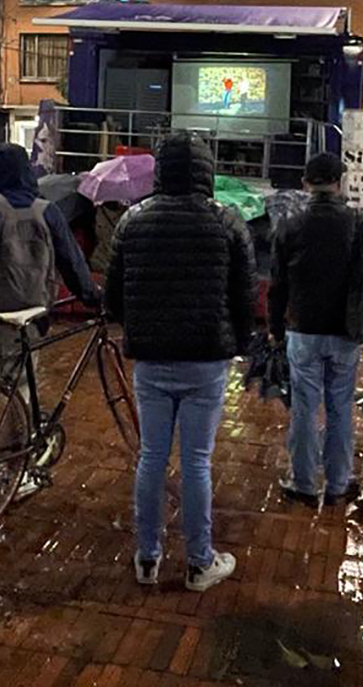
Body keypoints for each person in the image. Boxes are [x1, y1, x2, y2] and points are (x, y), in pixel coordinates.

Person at [105, 133, 256, 592]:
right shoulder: (226, 221)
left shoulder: (133, 220)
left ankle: (147, 558)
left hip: (151, 358)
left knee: (151, 456)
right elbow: (244, 296)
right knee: (196, 461)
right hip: (206, 359)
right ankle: (198, 562)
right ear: (206, 170)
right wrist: (241, 343)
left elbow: (114, 298)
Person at [269, 153, 363, 507]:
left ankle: (303, 482)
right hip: (345, 330)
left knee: (304, 407)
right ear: (339, 182)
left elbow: (277, 285)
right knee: (340, 406)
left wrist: (275, 328)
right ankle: (337, 482)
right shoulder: (359, 221)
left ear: (306, 183)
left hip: (302, 329)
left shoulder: (290, 225)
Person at [0, 143, 99, 403]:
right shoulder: (48, 211)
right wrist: (91, 296)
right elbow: (71, 262)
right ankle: (17, 442)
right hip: (30, 317)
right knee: (19, 394)